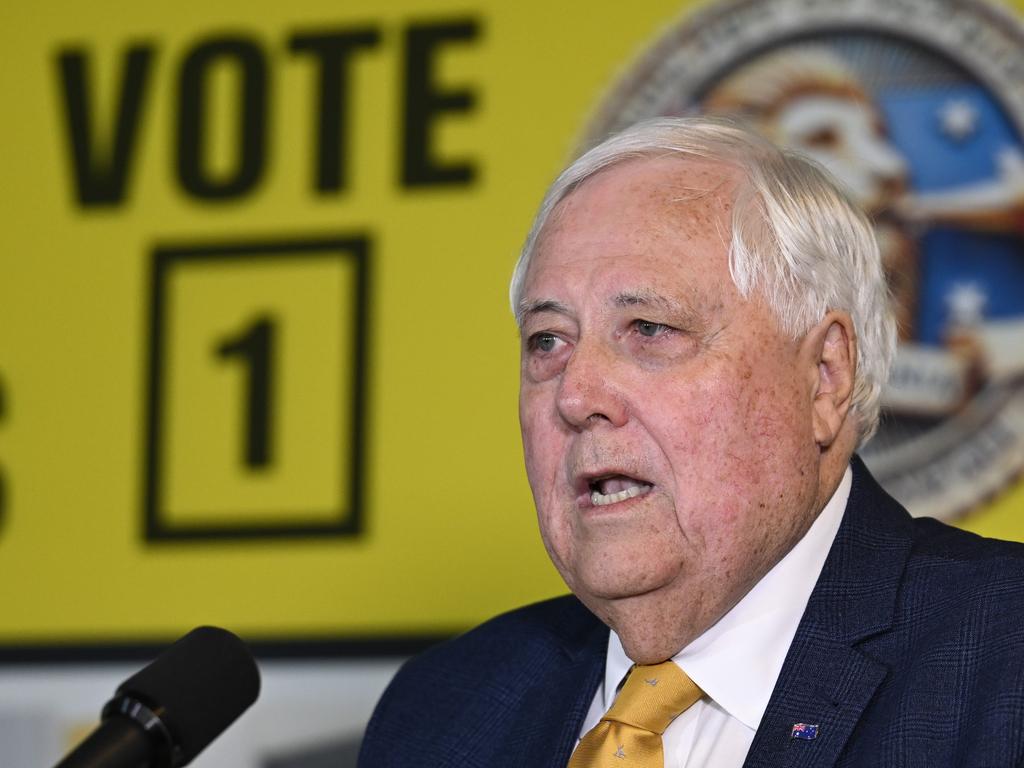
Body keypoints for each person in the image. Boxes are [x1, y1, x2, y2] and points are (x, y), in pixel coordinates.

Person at [358, 117, 1024, 767]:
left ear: (824, 377)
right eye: (548, 342)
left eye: (649, 328)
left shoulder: (1003, 661)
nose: (575, 394)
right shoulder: (443, 710)